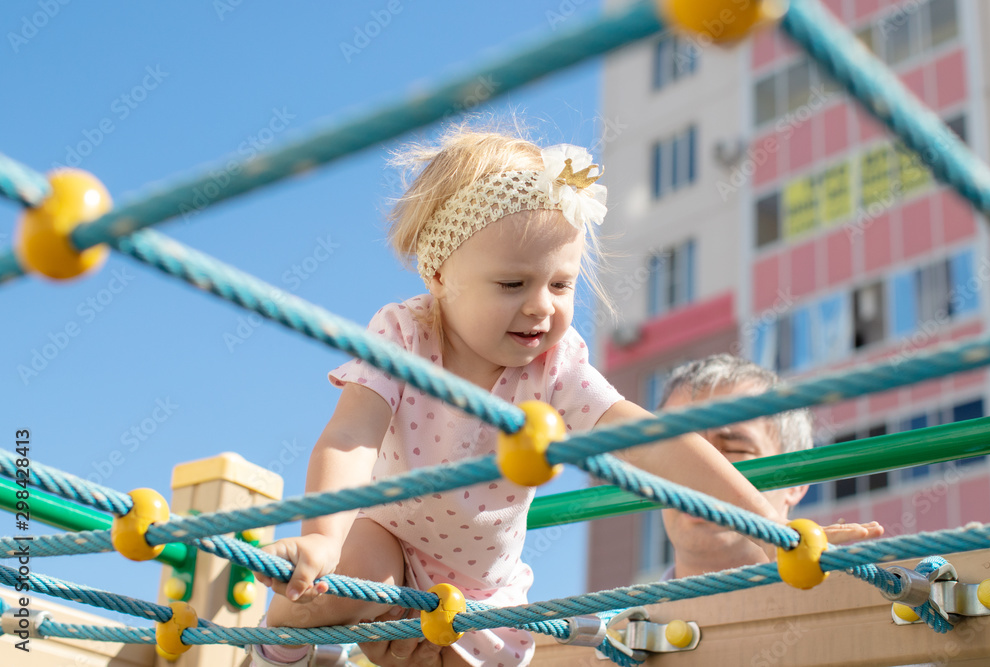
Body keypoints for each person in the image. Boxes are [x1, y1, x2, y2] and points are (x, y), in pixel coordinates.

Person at [248, 127, 821, 667]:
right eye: (512, 284)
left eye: (560, 284)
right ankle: (275, 653)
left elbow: (650, 442)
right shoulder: (406, 336)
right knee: (331, 582)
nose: (541, 306)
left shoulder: (554, 367)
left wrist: (769, 525)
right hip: (387, 538)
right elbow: (352, 436)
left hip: (481, 591)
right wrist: (321, 536)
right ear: (440, 273)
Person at [658, 354, 883, 580]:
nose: (697, 470)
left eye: (733, 448)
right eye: (678, 452)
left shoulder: (891, 602)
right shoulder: (623, 612)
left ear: (795, 481)